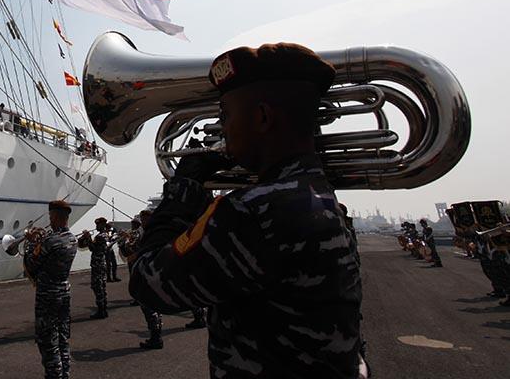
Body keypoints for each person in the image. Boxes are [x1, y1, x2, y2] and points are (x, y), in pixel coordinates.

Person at [129, 43, 362, 378]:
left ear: (262, 117)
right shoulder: (319, 193)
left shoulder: (253, 213)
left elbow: (146, 282)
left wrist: (184, 189)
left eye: (225, 114)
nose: (219, 128)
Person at [23, 201, 77, 379]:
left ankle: (54, 375)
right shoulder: (72, 239)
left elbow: (31, 264)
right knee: (62, 338)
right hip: (64, 290)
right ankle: (65, 373)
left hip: (48, 294)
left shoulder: (50, 241)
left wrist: (31, 243)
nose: (50, 220)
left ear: (55, 216)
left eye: (51, 216)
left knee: (48, 341)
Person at [118, 210, 162, 349]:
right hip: (154, 272)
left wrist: (124, 240)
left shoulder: (145, 235)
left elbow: (128, 252)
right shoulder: (157, 233)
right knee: (155, 306)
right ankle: (157, 335)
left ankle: (156, 338)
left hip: (145, 275)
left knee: (148, 307)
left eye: (143, 220)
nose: (141, 223)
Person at [78, 218, 110, 319]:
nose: (96, 227)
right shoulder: (105, 235)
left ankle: (101, 310)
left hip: (98, 264)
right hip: (101, 263)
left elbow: (93, 248)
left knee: (97, 286)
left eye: (98, 225)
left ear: (102, 225)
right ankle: (103, 309)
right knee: (102, 287)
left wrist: (87, 238)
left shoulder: (100, 236)